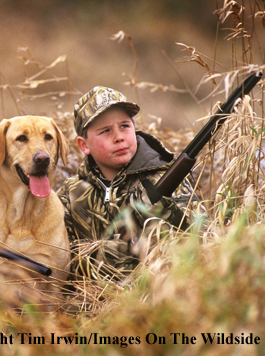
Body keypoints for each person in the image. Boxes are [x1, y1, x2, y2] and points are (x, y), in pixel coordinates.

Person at [57, 86, 203, 281]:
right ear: (84, 145)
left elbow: (201, 239)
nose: (119, 137)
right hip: (89, 305)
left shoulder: (164, 179)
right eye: (105, 131)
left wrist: (172, 215)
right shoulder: (69, 194)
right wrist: (113, 253)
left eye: (125, 126)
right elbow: (59, 262)